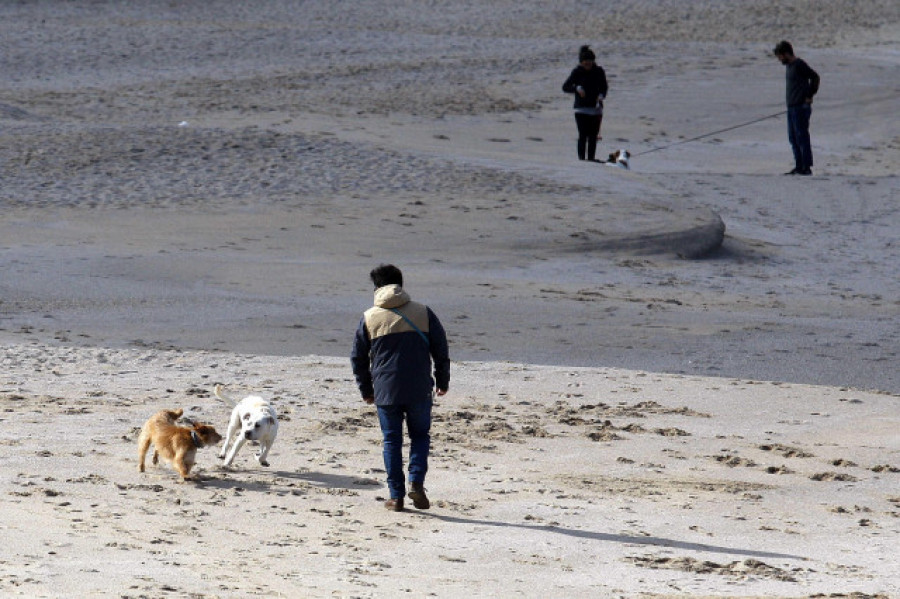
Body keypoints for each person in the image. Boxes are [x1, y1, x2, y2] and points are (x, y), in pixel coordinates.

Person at [351, 264, 450, 512]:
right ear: (401, 285)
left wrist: (366, 390)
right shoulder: (423, 313)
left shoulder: (369, 318)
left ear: (376, 288)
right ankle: (416, 482)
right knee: (420, 436)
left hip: (386, 390)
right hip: (418, 388)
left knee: (391, 441)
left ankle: (396, 497)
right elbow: (440, 348)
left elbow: (358, 358)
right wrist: (442, 381)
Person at [773, 40, 820, 175]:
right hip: (791, 107)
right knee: (793, 138)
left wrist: (810, 95)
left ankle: (806, 167)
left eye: (780, 56)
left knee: (801, 137)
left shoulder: (799, 64)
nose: (780, 59)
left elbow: (815, 77)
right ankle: (799, 165)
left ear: (787, 53)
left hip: (801, 107)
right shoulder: (789, 66)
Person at [562, 45, 608, 162]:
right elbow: (565, 87)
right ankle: (582, 160)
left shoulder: (598, 71)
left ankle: (591, 158)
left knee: (593, 136)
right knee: (583, 134)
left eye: (590, 62)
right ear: (581, 62)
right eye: (585, 62)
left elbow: (604, 87)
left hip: (595, 108)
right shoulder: (577, 72)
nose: (588, 64)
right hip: (581, 109)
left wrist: (602, 95)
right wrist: (576, 88)